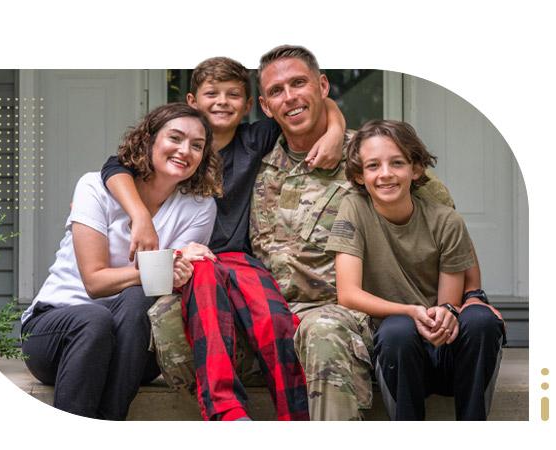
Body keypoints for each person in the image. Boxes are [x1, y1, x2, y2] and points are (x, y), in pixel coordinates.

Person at [248, 44, 493, 421]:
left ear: (323, 86)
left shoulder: (373, 157)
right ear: (265, 106)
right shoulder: (259, 163)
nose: (290, 97)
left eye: (299, 83)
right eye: (277, 91)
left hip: (351, 314)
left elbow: (448, 227)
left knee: (324, 330)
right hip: (275, 313)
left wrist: (473, 296)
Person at [99, 56, 346, 421]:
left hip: (239, 258)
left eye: (233, 95)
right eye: (211, 93)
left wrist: (336, 132)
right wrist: (139, 215)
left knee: (275, 319)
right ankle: (225, 410)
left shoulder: (255, 137)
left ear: (248, 106)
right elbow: (114, 166)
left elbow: (315, 102)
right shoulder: (178, 152)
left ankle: (295, 417)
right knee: (209, 310)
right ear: (192, 102)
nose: (222, 102)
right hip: (189, 262)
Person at [19, 103, 221, 420]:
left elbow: (169, 282)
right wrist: (170, 260)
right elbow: (95, 282)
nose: (186, 150)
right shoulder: (95, 188)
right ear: (149, 140)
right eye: (175, 138)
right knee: (95, 320)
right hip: (57, 333)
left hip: (134, 346)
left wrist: (173, 268)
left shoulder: (199, 207)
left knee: (138, 297)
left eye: (197, 145)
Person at [325, 120, 506, 420]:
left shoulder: (445, 220)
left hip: (448, 352)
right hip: (400, 356)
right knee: (397, 328)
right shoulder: (354, 209)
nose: (385, 174)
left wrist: (447, 313)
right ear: (359, 176)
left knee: (481, 320)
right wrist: (410, 311)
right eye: (373, 166)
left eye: (397, 163)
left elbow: (448, 302)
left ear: (416, 169)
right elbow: (347, 294)